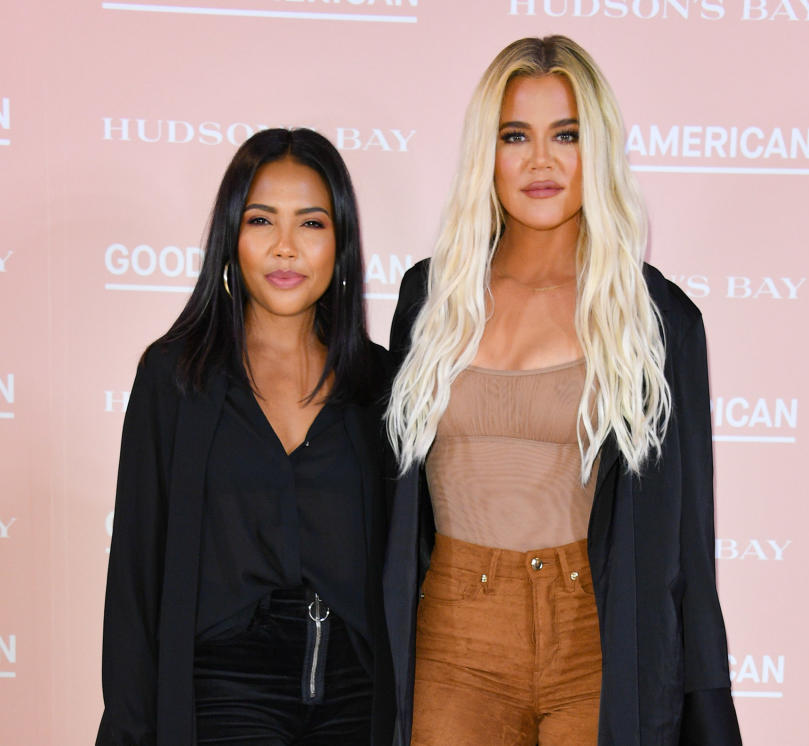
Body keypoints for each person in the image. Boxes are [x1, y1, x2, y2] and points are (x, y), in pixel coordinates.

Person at [384, 36, 742, 745]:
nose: (541, 161)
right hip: (454, 640)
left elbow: (689, 546)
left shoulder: (657, 317)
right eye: (516, 135)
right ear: (487, 152)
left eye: (567, 135)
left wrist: (709, 708)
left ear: (598, 149)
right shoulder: (429, 298)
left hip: (597, 642)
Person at [96, 128, 395, 745]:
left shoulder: (383, 385)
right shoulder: (176, 378)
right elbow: (135, 574)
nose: (285, 248)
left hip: (355, 693)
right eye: (262, 221)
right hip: (223, 690)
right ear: (231, 238)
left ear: (341, 245)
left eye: (311, 224)